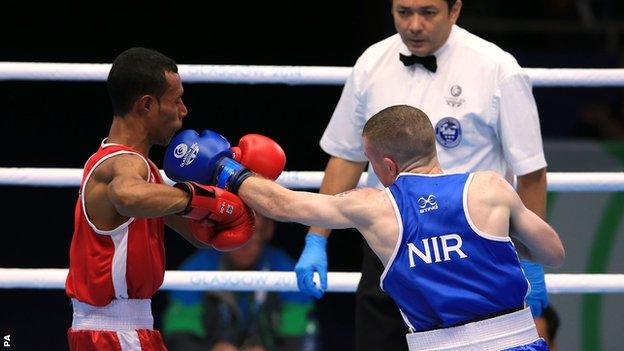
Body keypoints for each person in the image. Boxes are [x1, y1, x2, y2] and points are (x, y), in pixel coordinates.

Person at [170, 105, 564, 350]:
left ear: (387, 165)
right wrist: (494, 242)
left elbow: (284, 204)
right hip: (522, 341)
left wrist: (226, 169)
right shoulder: (490, 187)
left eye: (371, 162)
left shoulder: (377, 206)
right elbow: (554, 253)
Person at [295, 0, 550, 349]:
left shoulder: (497, 69)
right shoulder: (372, 63)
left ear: (455, 11)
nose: (414, 25)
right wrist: (317, 239)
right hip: (389, 239)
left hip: (470, 246)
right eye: (403, 12)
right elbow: (346, 156)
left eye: (428, 12)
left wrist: (529, 263)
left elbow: (531, 172)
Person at [65, 47, 275, 350]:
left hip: (125, 330)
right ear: (147, 105)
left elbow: (201, 236)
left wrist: (232, 195)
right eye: (176, 100)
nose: (184, 110)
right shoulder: (122, 163)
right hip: (114, 334)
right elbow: (126, 195)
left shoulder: (144, 170)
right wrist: (204, 199)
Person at [163, 213, 318, 351]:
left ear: (268, 230)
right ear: (218, 230)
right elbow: (178, 334)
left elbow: (304, 338)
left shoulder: (287, 271)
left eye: (252, 232)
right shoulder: (195, 269)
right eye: (234, 232)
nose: (243, 243)